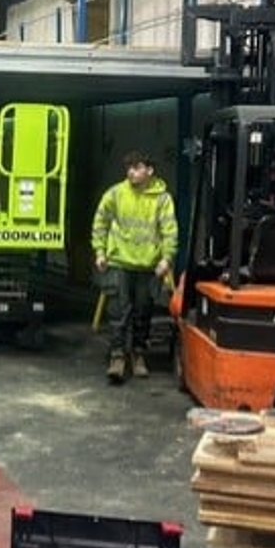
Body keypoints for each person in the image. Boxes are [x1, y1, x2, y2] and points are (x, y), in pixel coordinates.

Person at [91, 150, 178, 383]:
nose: (131, 171)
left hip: (148, 266)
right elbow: (100, 221)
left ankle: (138, 354)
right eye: (129, 167)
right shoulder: (116, 194)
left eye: (137, 167)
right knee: (118, 312)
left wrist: (166, 259)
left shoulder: (162, 199)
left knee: (143, 311)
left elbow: (169, 231)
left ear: (149, 170)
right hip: (120, 262)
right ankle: (117, 357)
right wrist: (100, 251)